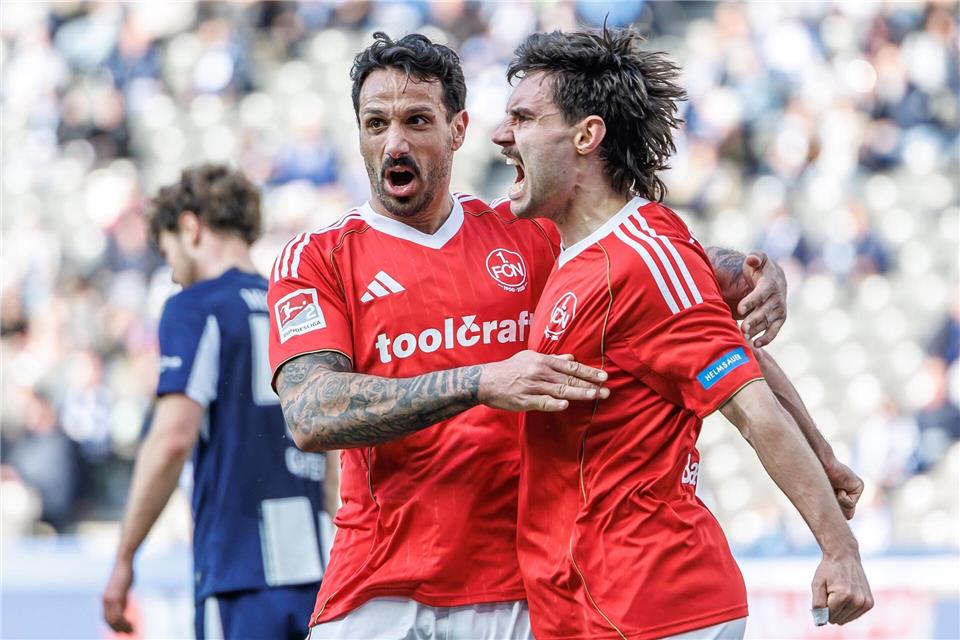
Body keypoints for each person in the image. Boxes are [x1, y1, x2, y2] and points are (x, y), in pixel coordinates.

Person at [268, 32, 792, 639]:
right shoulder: (318, 258)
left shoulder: (530, 233)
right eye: (375, 123)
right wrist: (480, 382)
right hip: (376, 591)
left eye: (417, 120)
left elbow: (655, 256)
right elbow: (310, 413)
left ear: (458, 129)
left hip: (520, 596)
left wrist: (749, 270)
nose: (395, 143)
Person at [491, 27, 874, 639]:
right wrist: (824, 458)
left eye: (524, 118)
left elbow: (750, 407)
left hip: (653, 603)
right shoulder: (583, 253)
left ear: (587, 136)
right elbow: (737, 350)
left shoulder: (642, 256)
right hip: (589, 605)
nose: (501, 134)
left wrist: (839, 549)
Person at [102, 165, 334, 640]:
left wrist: (124, 557)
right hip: (319, 571)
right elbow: (334, 453)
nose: (172, 273)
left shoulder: (194, 305)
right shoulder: (295, 306)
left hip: (240, 573)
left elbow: (172, 439)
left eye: (167, 252)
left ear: (189, 227)